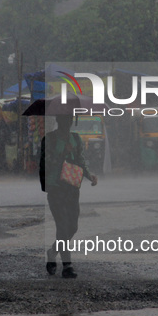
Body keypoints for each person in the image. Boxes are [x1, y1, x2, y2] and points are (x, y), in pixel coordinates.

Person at [39, 115, 98, 279]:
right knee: (63, 226)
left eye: (70, 120)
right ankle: (67, 265)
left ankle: (52, 252)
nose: (68, 123)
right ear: (59, 121)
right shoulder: (49, 139)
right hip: (56, 188)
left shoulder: (76, 139)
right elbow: (46, 162)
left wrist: (89, 175)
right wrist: (61, 154)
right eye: (65, 120)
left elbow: (80, 160)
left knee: (72, 226)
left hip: (72, 188)